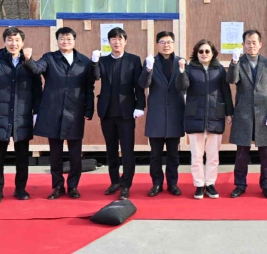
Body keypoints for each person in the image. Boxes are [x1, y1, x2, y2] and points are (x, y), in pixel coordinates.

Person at [0, 27, 42, 204]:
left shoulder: (29, 63)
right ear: (4, 42)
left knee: (22, 157)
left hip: (22, 116)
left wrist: (36, 112)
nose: (13, 43)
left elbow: (37, 90)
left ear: (23, 43)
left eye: (17, 40)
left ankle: (21, 189)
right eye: (10, 40)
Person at [24, 27, 95, 200]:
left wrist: (89, 109)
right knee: (55, 154)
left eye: (69, 38)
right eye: (62, 39)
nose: (65, 41)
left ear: (74, 41)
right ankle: (57, 186)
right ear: (57, 41)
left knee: (75, 154)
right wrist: (28, 59)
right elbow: (36, 69)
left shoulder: (84, 61)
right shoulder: (49, 58)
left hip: (75, 113)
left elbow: (89, 88)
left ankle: (73, 186)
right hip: (53, 112)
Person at [92, 27, 145, 200]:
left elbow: (139, 86)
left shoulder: (133, 60)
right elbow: (95, 77)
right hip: (107, 112)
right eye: (113, 39)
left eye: (120, 39)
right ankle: (114, 181)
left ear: (125, 41)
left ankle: (126, 184)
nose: (117, 42)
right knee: (111, 149)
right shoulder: (103, 60)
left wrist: (140, 105)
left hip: (126, 112)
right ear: (109, 42)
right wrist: (94, 62)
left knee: (127, 150)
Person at [177, 39, 234, 199]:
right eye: (200, 51)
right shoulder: (190, 68)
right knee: (196, 156)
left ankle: (210, 184)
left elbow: (226, 91)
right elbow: (182, 86)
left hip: (215, 115)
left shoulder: (219, 69)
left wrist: (229, 112)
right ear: (196, 53)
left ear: (213, 53)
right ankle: (199, 185)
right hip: (195, 116)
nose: (204, 54)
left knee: (213, 156)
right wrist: (181, 71)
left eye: (207, 51)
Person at [227, 29, 267, 199]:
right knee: (242, 153)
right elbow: (232, 80)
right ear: (243, 45)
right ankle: (240, 185)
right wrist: (234, 62)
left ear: (260, 44)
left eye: (254, 42)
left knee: (266, 154)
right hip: (244, 114)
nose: (251, 46)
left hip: (264, 114)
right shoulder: (239, 62)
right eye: (248, 43)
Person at [140, 31, 185, 197]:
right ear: (157, 44)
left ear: (174, 44)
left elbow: (184, 86)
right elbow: (144, 84)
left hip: (175, 114)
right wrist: (148, 68)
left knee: (174, 154)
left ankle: (173, 183)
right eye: (163, 42)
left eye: (169, 42)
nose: (166, 45)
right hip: (157, 115)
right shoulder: (151, 61)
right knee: (155, 154)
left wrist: (182, 71)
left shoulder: (181, 62)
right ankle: (156, 184)